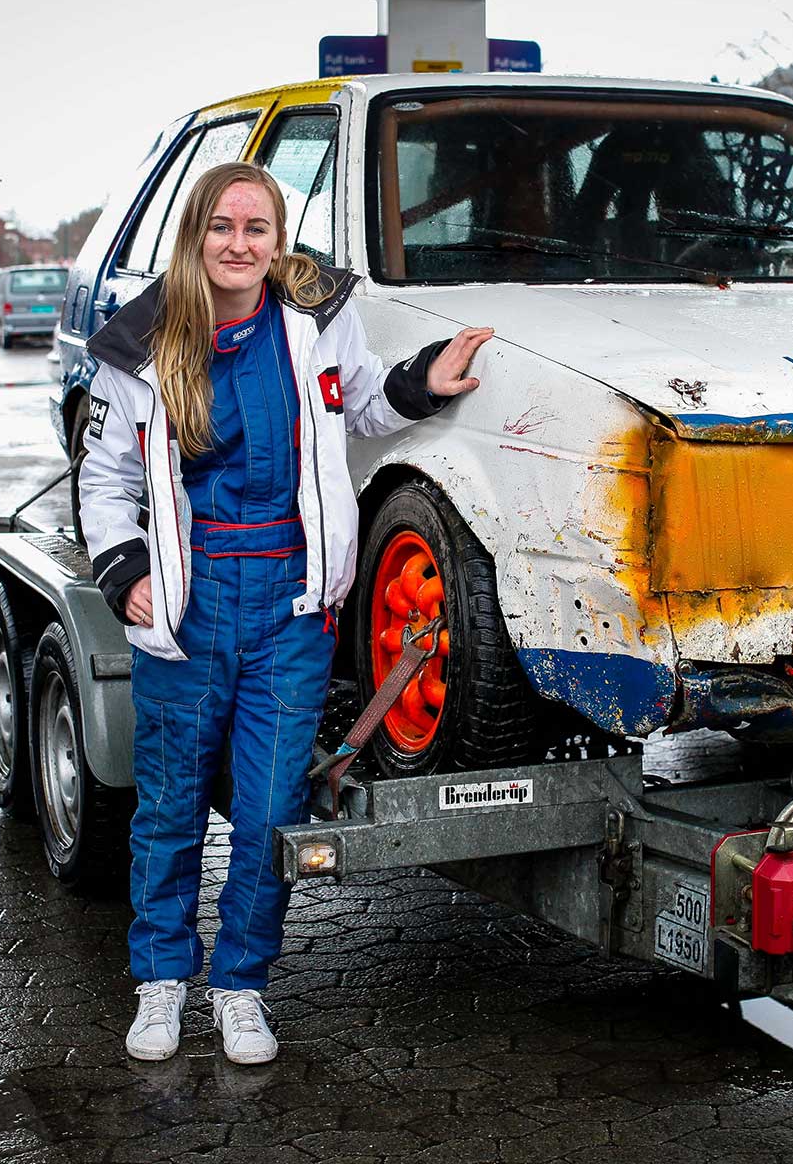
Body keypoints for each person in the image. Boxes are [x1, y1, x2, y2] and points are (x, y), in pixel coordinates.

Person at [77, 161, 492, 1064]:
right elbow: (105, 482)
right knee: (171, 807)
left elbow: (368, 404)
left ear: (278, 238)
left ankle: (240, 988)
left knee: (269, 814)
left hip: (292, 608)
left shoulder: (315, 316)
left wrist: (431, 379)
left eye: (256, 228)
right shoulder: (140, 346)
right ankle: (159, 985)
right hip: (186, 612)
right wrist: (124, 573)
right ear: (196, 236)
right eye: (222, 227)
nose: (239, 244)